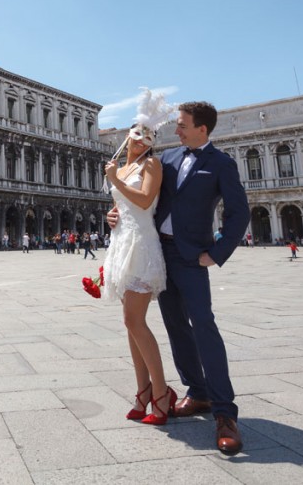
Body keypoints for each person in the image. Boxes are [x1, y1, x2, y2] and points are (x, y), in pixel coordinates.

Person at [113, 101, 250, 455]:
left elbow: (239, 213)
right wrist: (116, 215)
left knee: (203, 325)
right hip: (160, 252)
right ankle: (197, 391)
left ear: (202, 129)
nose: (176, 130)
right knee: (175, 325)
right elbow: (145, 199)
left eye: (183, 125)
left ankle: (225, 413)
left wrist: (216, 253)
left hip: (192, 257)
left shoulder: (221, 164)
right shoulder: (169, 159)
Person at [103, 112, 171, 426]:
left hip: (141, 244)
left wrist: (115, 181)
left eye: (147, 136)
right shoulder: (122, 167)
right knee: (130, 324)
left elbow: (145, 201)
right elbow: (124, 205)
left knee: (134, 320)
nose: (140, 140)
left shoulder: (151, 165)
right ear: (127, 137)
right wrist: (111, 215)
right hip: (120, 244)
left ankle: (161, 393)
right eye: (136, 134)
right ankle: (143, 392)